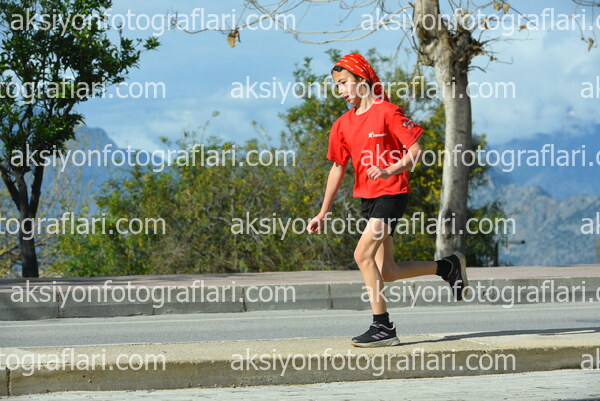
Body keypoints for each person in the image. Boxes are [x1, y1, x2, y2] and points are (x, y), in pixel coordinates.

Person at [307, 52, 469, 348]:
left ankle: (382, 327)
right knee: (387, 271)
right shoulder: (341, 125)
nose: (340, 90)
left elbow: (416, 152)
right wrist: (323, 211)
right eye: (336, 85)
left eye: (344, 82)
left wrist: (389, 170)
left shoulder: (387, 112)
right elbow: (337, 168)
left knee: (362, 255)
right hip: (367, 199)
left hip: (392, 194)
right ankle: (447, 267)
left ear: (362, 79)